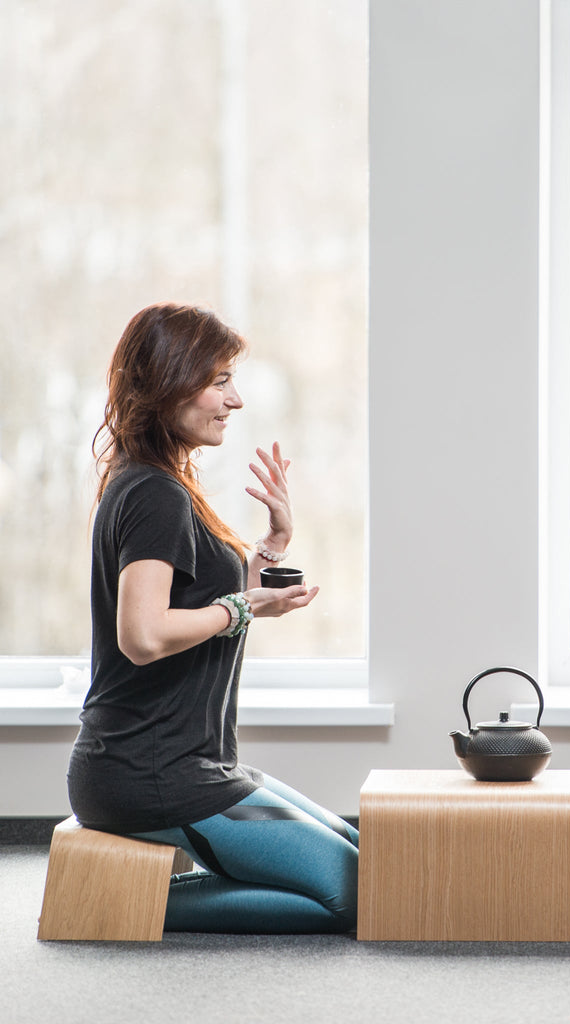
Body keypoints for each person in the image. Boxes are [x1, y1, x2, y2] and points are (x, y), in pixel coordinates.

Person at [67, 302, 358, 934]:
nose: (236, 400)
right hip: (154, 775)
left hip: (195, 764)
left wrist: (273, 547)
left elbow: (197, 604)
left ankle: (173, 880)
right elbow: (143, 636)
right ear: (170, 382)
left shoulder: (152, 482)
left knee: (362, 857)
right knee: (357, 894)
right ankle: (115, 896)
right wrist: (242, 607)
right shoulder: (154, 493)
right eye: (220, 380)